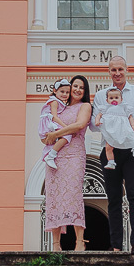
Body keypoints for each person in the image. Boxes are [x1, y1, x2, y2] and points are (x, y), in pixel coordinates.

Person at [90, 55, 134, 255]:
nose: (117, 73)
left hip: (133, 151)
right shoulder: (102, 95)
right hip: (109, 151)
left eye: (120, 69)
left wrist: (133, 135)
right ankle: (116, 245)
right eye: (113, 70)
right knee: (113, 199)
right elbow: (93, 125)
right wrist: (106, 123)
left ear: (127, 70)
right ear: (108, 72)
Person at [42, 74, 92, 252]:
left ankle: (79, 241)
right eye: (75, 86)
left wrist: (56, 134)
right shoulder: (59, 106)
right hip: (55, 156)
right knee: (54, 197)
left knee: (73, 194)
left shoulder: (85, 106)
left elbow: (79, 125)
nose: (77, 90)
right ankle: (56, 244)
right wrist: (49, 137)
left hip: (74, 155)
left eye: (81, 87)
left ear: (85, 91)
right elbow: (46, 132)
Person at [95, 86, 134, 169]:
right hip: (111, 131)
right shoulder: (105, 108)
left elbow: (130, 117)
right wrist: (97, 121)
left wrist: (133, 125)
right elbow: (98, 115)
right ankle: (111, 162)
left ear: (121, 99)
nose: (114, 100)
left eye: (116, 97)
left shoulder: (124, 107)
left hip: (122, 129)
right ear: (107, 100)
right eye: (111, 98)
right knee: (108, 147)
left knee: (131, 136)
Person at [39, 78, 72, 169]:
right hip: (49, 124)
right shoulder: (54, 101)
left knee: (59, 139)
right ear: (55, 91)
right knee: (67, 135)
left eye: (67, 92)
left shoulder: (59, 102)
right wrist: (66, 127)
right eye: (62, 91)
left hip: (51, 123)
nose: (65, 94)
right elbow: (54, 116)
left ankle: (50, 153)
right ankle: (51, 155)